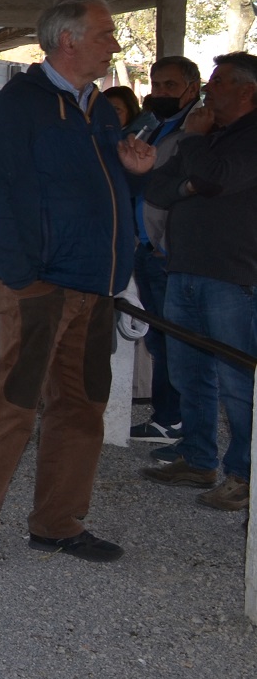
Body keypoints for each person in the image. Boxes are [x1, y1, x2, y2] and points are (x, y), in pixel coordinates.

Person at [0, 0, 155, 570]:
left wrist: (134, 177)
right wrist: (22, 275)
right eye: (105, 34)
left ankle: (58, 525)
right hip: (39, 287)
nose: (114, 43)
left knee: (82, 409)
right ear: (69, 41)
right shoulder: (18, 106)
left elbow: (104, 197)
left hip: (95, 288)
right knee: (13, 407)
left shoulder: (101, 111)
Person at [139, 53, 257, 510]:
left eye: (219, 81)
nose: (209, 89)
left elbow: (219, 177)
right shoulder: (210, 136)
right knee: (190, 372)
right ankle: (198, 456)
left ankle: (244, 475)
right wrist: (191, 182)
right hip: (184, 268)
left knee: (238, 381)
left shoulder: (243, 137)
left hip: (234, 274)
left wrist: (193, 145)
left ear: (247, 90)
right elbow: (157, 188)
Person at [128, 56, 202, 446]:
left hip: (165, 249)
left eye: (171, 86)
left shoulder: (198, 129)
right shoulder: (155, 125)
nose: (160, 93)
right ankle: (168, 416)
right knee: (158, 337)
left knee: (174, 339)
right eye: (156, 85)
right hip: (144, 243)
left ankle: (173, 419)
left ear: (194, 87)